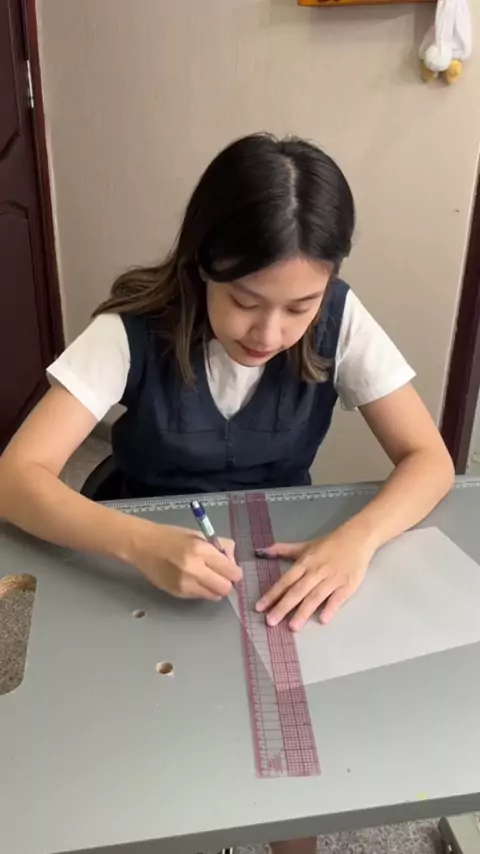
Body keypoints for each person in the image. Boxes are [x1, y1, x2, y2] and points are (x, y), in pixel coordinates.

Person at [0, 134, 453, 854]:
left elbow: (430, 460)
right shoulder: (130, 328)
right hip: (140, 561)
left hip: (274, 556)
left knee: (292, 767)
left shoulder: (339, 316)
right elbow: (14, 476)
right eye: (245, 301)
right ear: (202, 262)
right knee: (153, 762)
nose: (270, 332)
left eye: (300, 306)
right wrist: (139, 542)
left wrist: (355, 542)